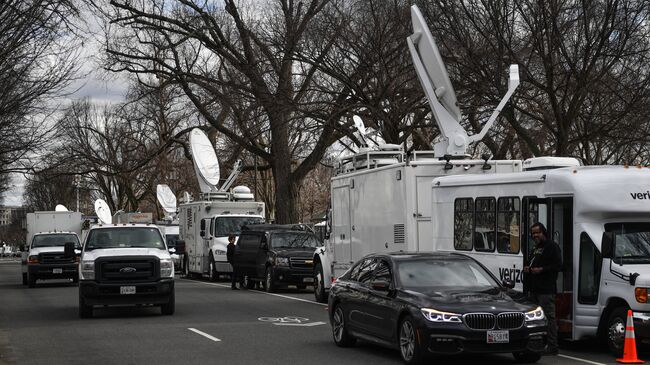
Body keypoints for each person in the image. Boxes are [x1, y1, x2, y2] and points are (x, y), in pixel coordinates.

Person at [523, 222, 562, 355]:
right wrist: (528, 269)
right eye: (533, 233)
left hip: (546, 290)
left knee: (549, 318)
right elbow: (531, 262)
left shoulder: (552, 247)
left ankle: (552, 346)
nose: (535, 235)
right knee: (534, 319)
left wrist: (542, 270)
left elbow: (558, 265)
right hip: (534, 289)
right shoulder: (536, 248)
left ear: (543, 232)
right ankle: (536, 344)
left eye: (537, 232)